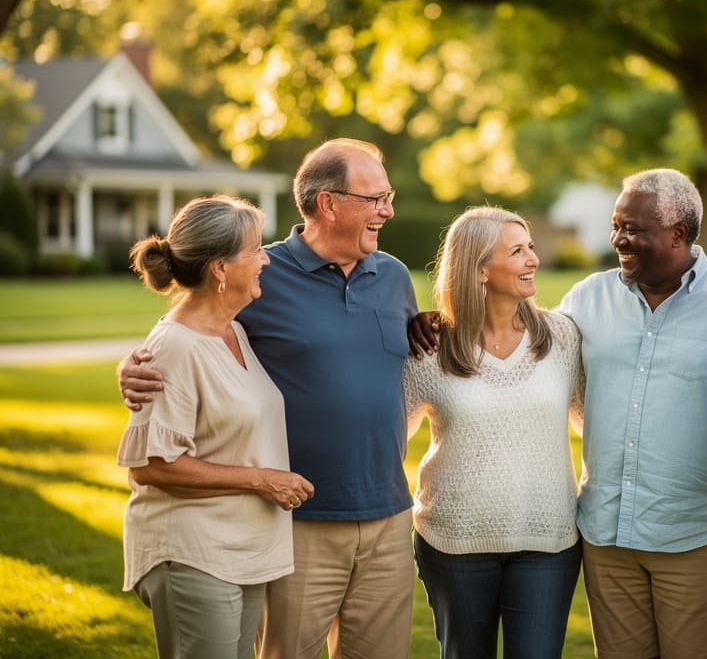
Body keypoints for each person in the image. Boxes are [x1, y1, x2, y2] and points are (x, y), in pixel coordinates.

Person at [119, 139, 419, 659]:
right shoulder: (260, 274)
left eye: (387, 196)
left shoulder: (393, 277)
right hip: (295, 520)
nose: (388, 210)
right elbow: (185, 336)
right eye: (376, 198)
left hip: (389, 513)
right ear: (329, 203)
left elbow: (408, 359)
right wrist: (131, 369)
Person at [560, 169, 707, 658]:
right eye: (617, 226)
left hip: (698, 532)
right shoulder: (587, 298)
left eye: (634, 229)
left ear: (679, 233)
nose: (619, 240)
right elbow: (528, 359)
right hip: (606, 534)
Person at [117, 195, 314, 659]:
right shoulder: (174, 346)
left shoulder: (234, 330)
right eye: (255, 250)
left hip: (239, 550)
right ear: (220, 269)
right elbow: (152, 468)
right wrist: (262, 480)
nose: (267, 258)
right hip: (193, 554)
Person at [404, 206, 584, 658]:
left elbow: (593, 421)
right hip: (454, 542)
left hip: (547, 541)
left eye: (531, 248)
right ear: (480, 269)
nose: (533, 260)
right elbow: (386, 439)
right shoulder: (430, 347)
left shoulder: (563, 338)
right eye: (518, 251)